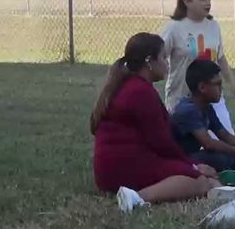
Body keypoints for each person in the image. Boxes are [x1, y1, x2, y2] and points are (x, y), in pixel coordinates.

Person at [91, 33, 222, 213]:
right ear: (149, 61)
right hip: (124, 168)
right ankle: (136, 198)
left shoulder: (126, 85)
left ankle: (136, 194)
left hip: (109, 170)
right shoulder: (140, 91)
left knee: (202, 178)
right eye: (163, 57)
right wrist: (193, 167)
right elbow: (162, 143)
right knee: (199, 183)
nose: (167, 63)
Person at [161, 0, 235, 134]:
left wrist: (232, 84)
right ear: (186, 1)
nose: (208, 3)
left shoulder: (213, 26)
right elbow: (158, 57)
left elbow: (220, 57)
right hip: (183, 99)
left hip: (211, 97)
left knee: (227, 139)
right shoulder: (174, 28)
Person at [170, 59, 235, 174]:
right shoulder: (188, 110)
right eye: (218, 84)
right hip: (179, 159)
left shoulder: (206, 106)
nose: (221, 88)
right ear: (202, 87)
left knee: (227, 156)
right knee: (222, 159)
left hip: (192, 155)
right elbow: (208, 143)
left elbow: (224, 135)